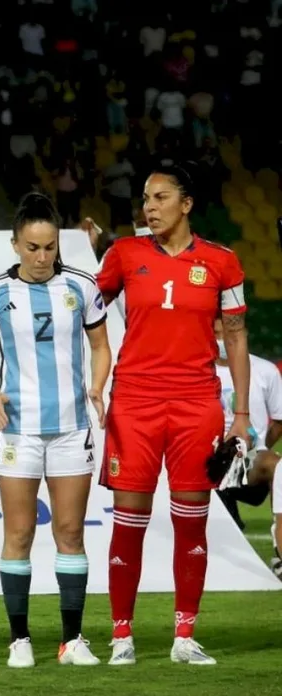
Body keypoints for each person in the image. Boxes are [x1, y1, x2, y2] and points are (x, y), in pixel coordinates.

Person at [96, 164, 250, 666]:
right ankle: (122, 636)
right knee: (129, 523)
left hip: (195, 405)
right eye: (145, 198)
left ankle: (184, 636)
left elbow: (236, 337)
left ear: (186, 204)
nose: (150, 206)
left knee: (192, 524)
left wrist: (241, 413)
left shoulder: (222, 262)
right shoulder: (124, 254)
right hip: (135, 404)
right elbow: (87, 311)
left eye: (160, 197)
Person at [0, 193, 112, 668]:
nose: (41, 256)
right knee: (21, 532)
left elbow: (100, 345)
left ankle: (72, 640)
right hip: (18, 431)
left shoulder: (81, 287)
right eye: (31, 247)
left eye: (49, 247)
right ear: (15, 245)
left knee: (71, 531)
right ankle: (19, 639)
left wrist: (96, 384)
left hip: (72, 427)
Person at [212, 316, 282, 528]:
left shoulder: (265, 371)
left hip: (250, 461)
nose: (222, 339)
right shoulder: (196, 370)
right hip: (206, 460)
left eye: (228, 334)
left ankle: (279, 548)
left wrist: (258, 449)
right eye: (217, 334)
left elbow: (280, 421)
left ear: (243, 335)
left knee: (278, 467)